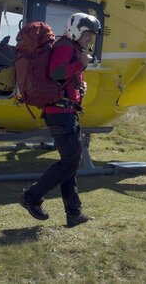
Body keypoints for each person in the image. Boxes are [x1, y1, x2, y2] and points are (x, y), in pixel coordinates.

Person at [19, 12, 101, 228]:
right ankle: (31, 197)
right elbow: (56, 73)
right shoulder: (65, 47)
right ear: (76, 31)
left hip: (65, 112)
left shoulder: (70, 47)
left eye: (91, 35)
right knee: (70, 163)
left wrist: (79, 87)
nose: (89, 39)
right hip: (60, 114)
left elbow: (64, 79)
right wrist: (80, 64)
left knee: (70, 163)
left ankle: (74, 212)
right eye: (87, 34)